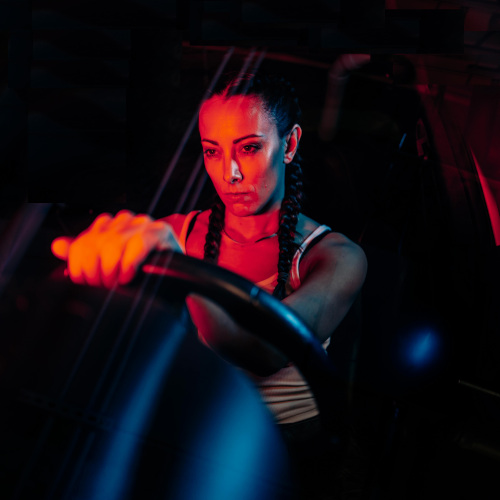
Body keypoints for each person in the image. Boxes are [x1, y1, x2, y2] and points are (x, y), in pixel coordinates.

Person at [51, 71, 368, 498]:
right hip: (193, 420)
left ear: (289, 145)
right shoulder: (177, 233)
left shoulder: (335, 256)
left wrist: (183, 272)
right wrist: (88, 266)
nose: (230, 173)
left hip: (286, 441)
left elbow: (266, 349)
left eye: (250, 148)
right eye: (212, 152)